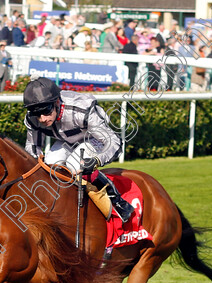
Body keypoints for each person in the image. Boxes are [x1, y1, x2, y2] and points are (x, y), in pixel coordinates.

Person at [22, 77, 134, 222]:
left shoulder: (81, 109)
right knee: (49, 165)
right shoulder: (32, 119)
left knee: (75, 165)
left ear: (56, 102)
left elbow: (114, 141)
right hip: (66, 141)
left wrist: (96, 160)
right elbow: (32, 150)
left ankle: (117, 199)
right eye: (37, 114)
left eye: (46, 111)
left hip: (94, 138)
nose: (43, 119)